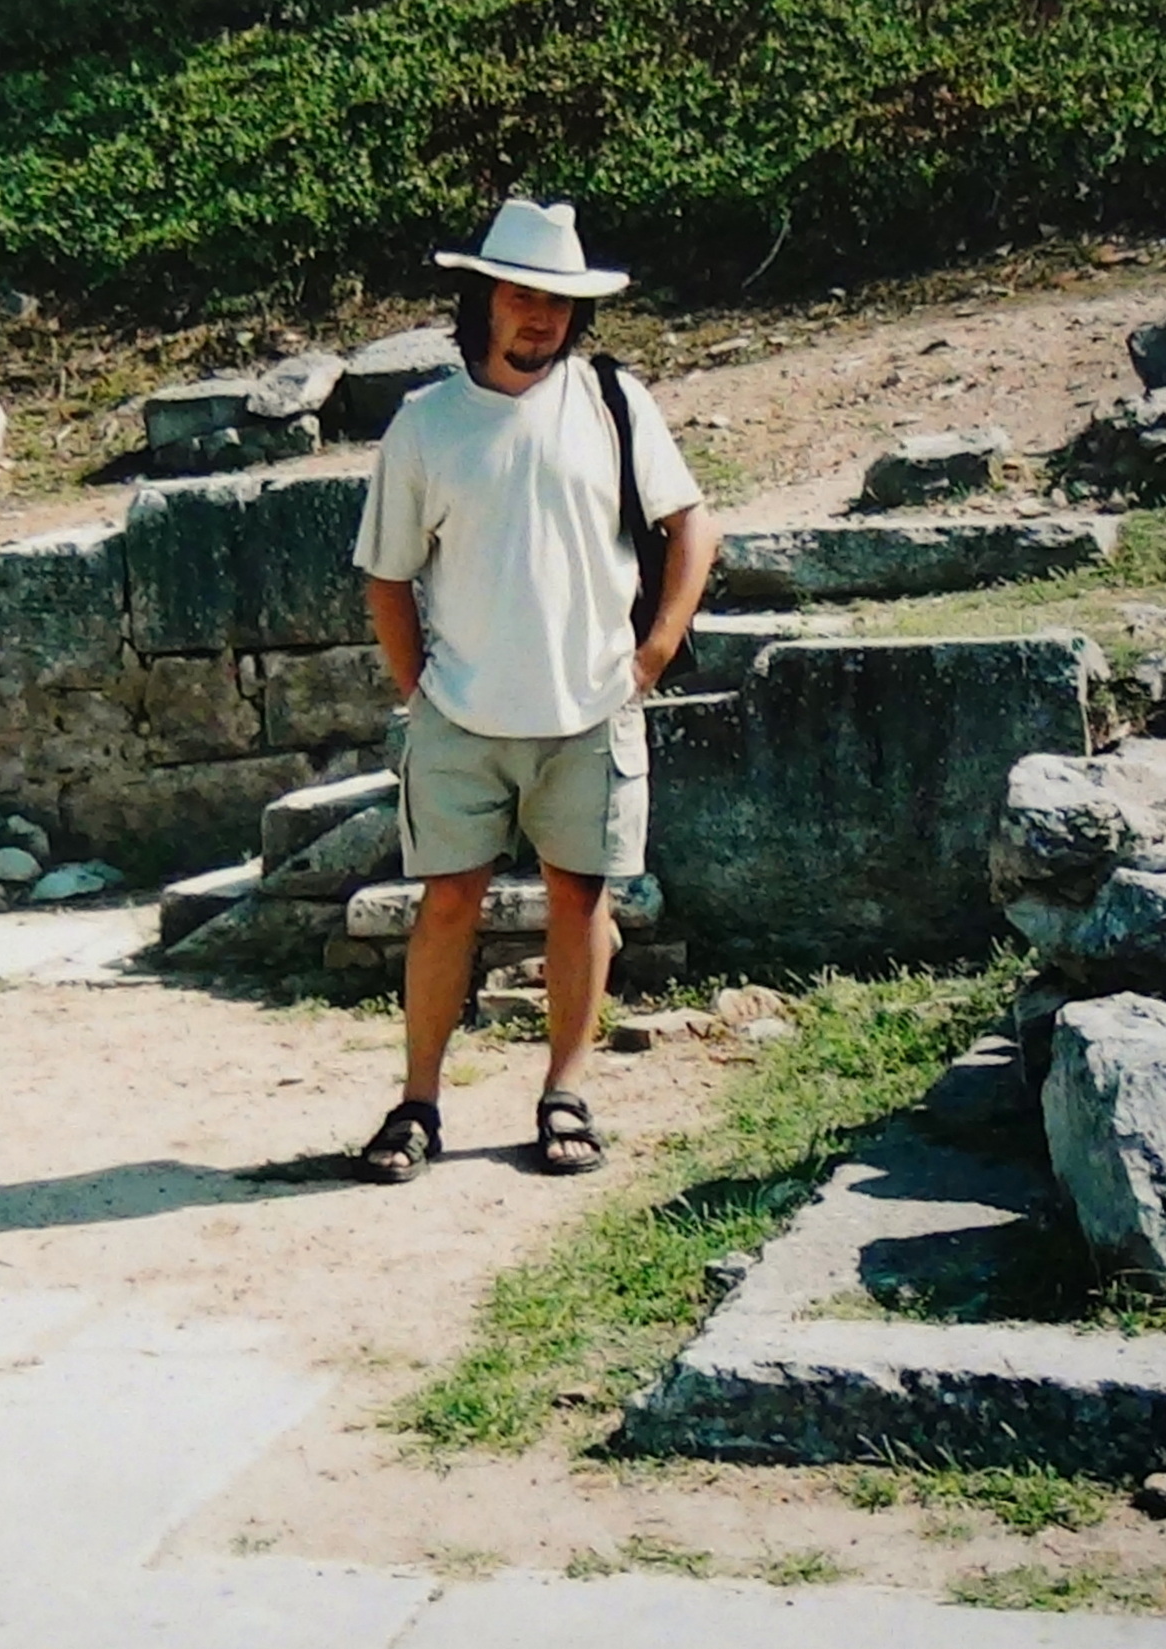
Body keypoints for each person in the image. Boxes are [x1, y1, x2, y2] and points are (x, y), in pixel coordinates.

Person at [349, 198, 718, 1183]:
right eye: (520, 294)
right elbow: (385, 572)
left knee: (578, 899)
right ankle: (418, 1101)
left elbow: (691, 526)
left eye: (557, 300)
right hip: (461, 713)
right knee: (445, 904)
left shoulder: (611, 400)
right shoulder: (426, 424)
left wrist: (651, 655)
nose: (541, 317)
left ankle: (564, 1091)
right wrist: (414, 687)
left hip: (591, 705)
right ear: (479, 300)